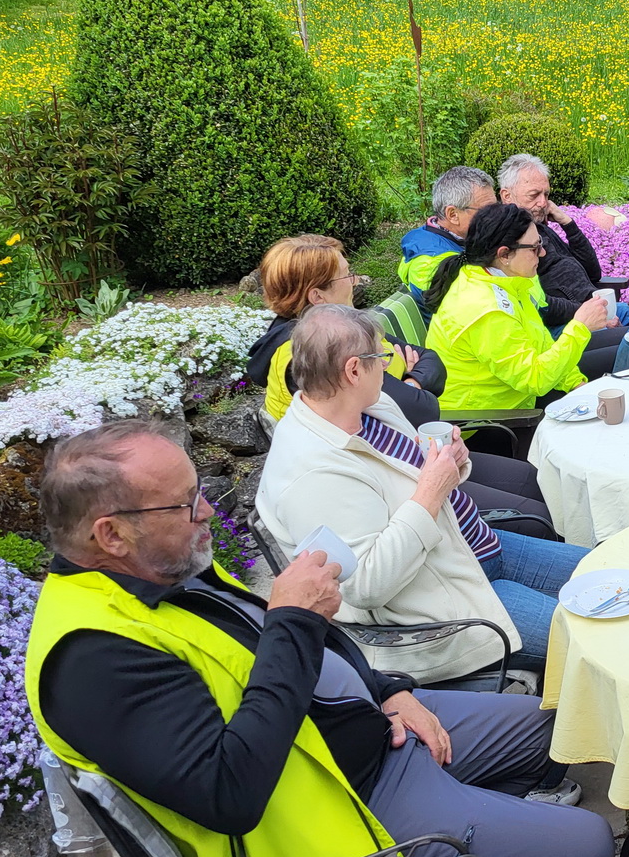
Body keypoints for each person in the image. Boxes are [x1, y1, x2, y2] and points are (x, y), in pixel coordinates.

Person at [26, 420, 613, 857]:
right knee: (585, 847)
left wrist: (391, 690)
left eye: (197, 489)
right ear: (110, 534)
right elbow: (228, 793)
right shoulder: (93, 661)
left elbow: (299, 648)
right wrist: (292, 622)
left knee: (555, 728)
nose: (206, 510)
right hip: (341, 821)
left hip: (369, 732)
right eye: (182, 504)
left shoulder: (158, 567)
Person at [257, 304, 590, 683]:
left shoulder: (366, 409)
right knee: (599, 634)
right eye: (381, 357)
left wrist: (452, 460)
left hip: (473, 548)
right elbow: (366, 586)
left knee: (613, 573)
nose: (387, 365)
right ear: (353, 370)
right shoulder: (312, 473)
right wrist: (432, 490)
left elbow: (407, 473)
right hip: (444, 606)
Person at [245, 233, 552, 531]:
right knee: (532, 516)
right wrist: (414, 383)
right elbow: (421, 410)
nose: (355, 282)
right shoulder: (309, 354)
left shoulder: (345, 326)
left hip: (406, 448)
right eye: (346, 275)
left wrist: (409, 383)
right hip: (384, 479)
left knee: (528, 477)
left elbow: (431, 360)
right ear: (317, 295)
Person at [423, 204, 609, 451]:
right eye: (534, 248)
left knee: (607, 393)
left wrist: (576, 383)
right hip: (488, 426)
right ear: (504, 254)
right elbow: (535, 379)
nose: (542, 253)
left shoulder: (504, 281)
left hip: (518, 399)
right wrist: (580, 327)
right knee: (599, 437)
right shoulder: (484, 308)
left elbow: (540, 342)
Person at [498, 153, 629, 327]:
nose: (542, 203)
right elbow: (537, 302)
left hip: (592, 307)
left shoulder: (539, 226)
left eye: (546, 194)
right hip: (567, 323)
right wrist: (587, 314)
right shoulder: (510, 238)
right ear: (507, 196)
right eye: (534, 195)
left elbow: (593, 273)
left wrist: (567, 223)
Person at [397, 166, 497, 304]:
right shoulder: (431, 264)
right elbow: (476, 309)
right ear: (453, 215)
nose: (497, 217)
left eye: (497, 208)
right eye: (487, 211)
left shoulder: (455, 240)